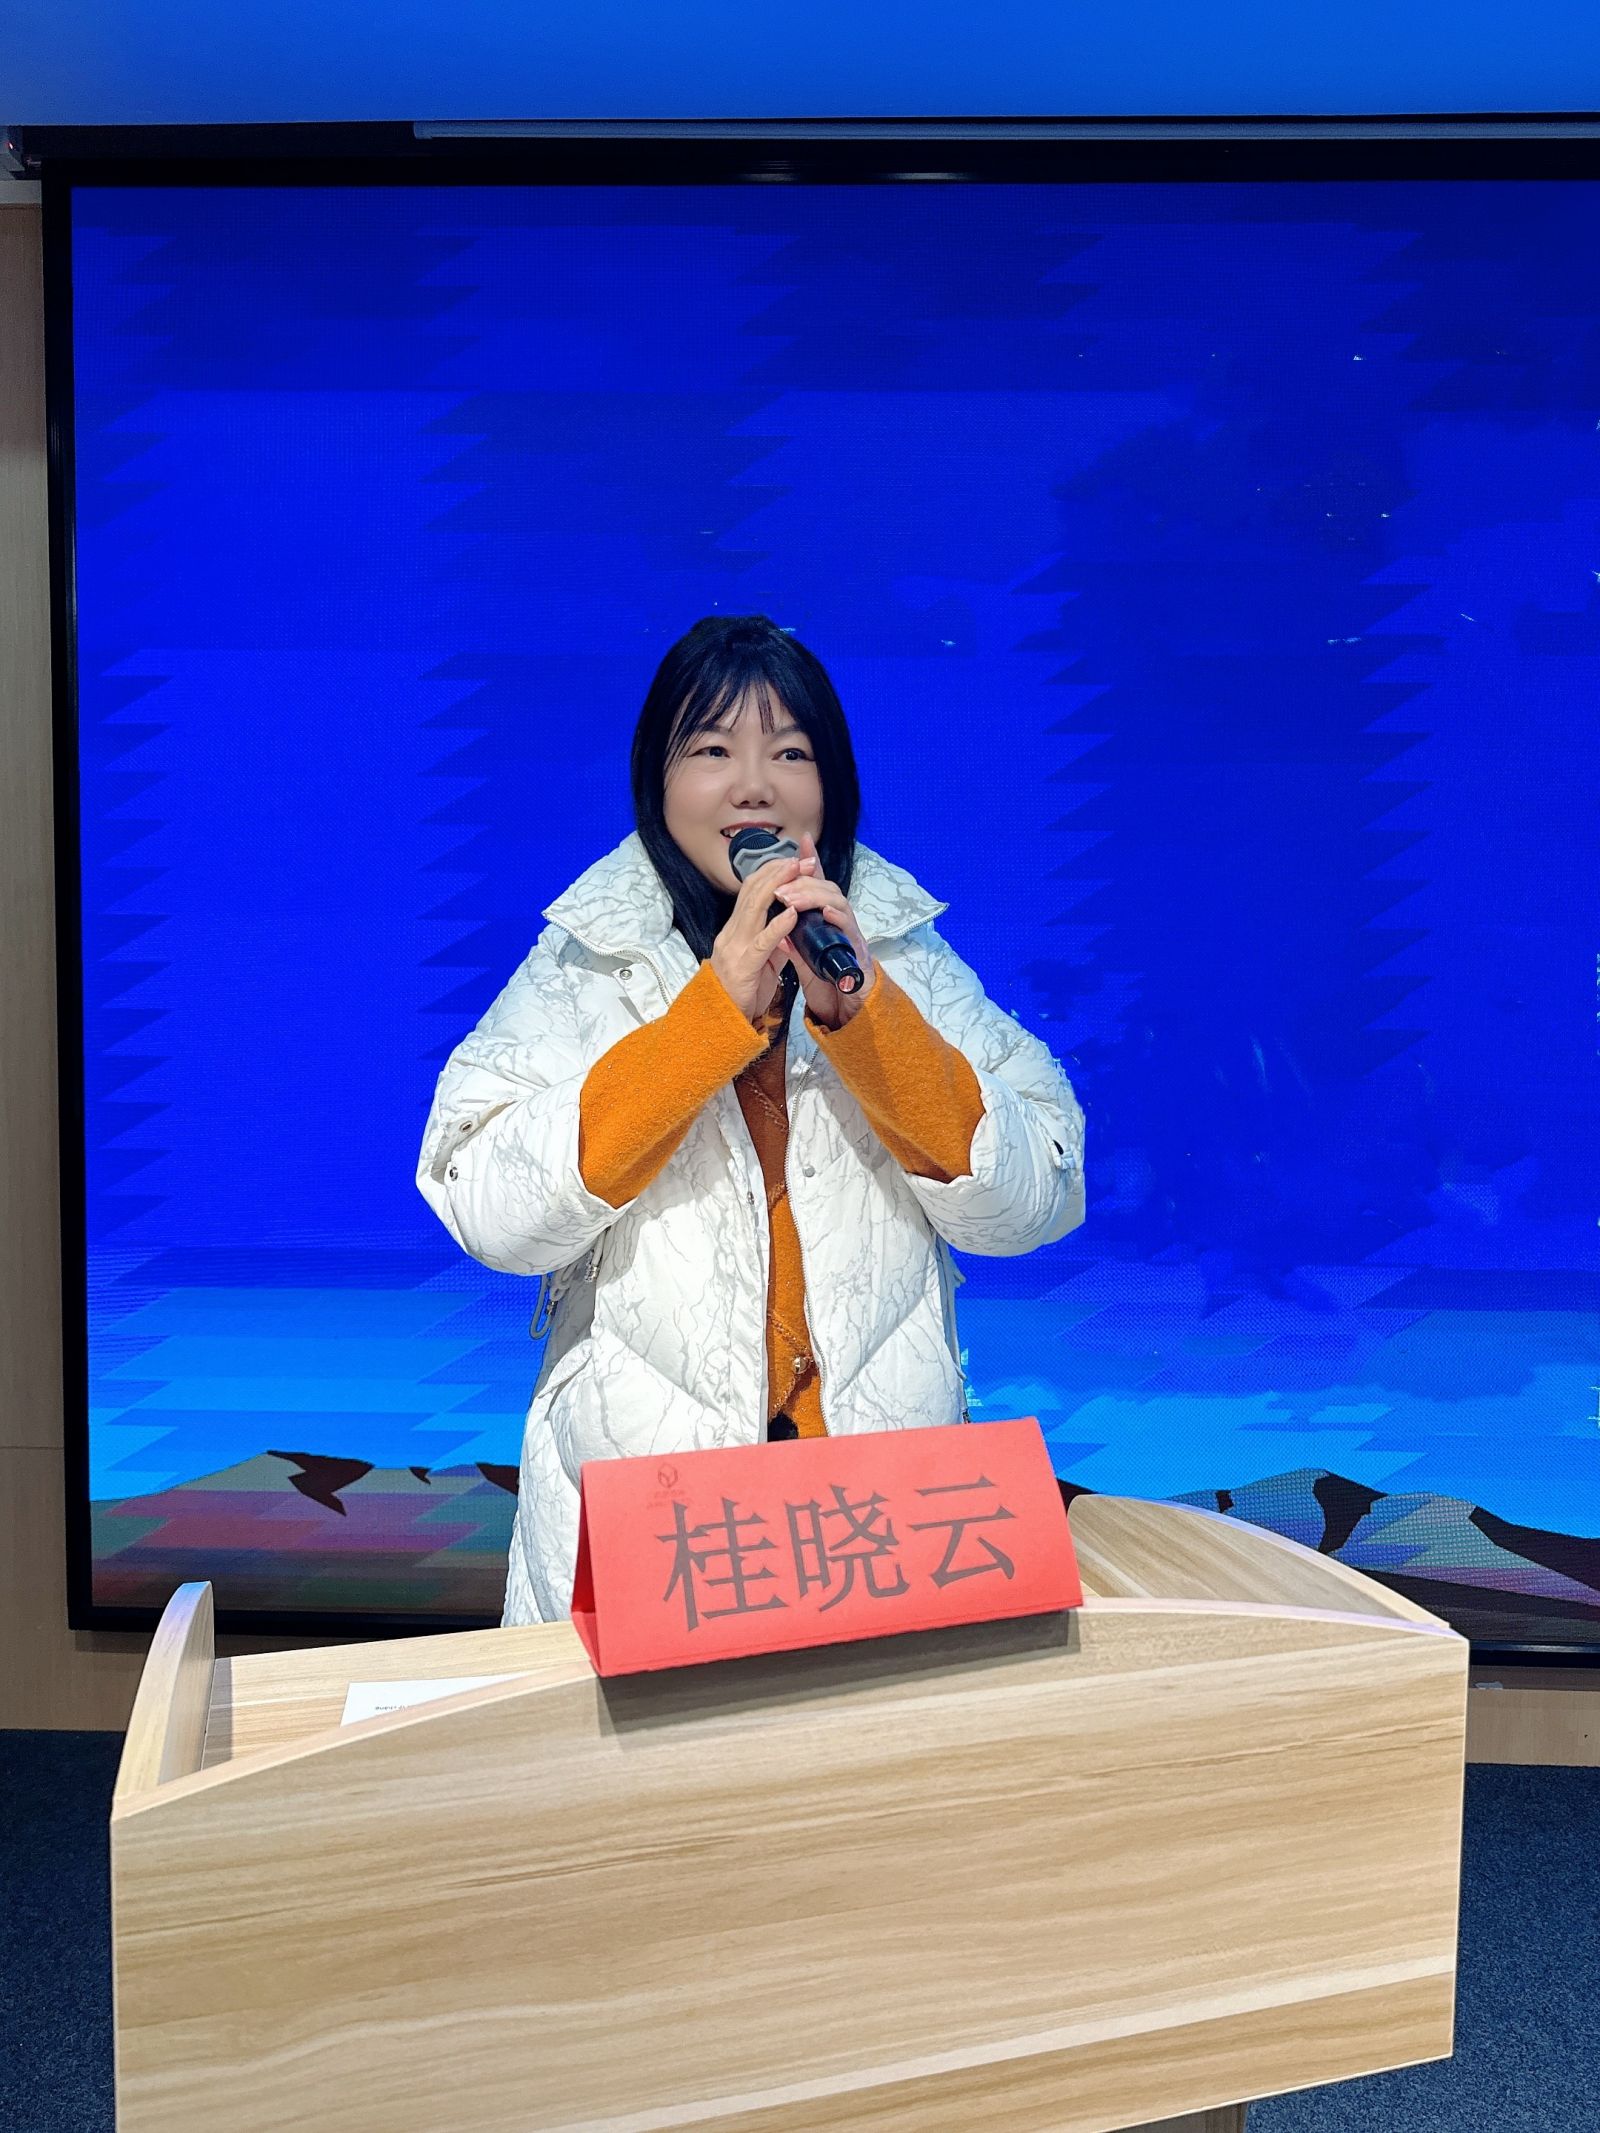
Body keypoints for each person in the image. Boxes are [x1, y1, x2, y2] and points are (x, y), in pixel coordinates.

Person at [416, 614, 1086, 1625]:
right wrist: (710, 1014)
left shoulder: (896, 953)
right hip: (662, 1535)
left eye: (790, 753)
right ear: (657, 781)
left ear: (832, 785)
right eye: (712, 751)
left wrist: (865, 1018)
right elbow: (490, 1212)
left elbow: (1039, 1196)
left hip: (877, 1521)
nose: (753, 787)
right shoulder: (587, 964)